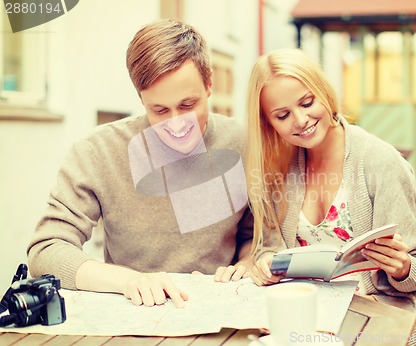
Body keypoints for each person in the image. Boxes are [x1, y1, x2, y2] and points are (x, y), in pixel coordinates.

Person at [27, 19, 253, 308]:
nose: (177, 124)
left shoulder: (244, 143)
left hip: (221, 312)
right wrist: (126, 280)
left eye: (187, 105)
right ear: (141, 99)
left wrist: (248, 260)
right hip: (135, 313)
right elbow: (46, 250)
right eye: (159, 110)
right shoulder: (98, 152)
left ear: (209, 86)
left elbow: (254, 234)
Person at [245, 49, 416, 345]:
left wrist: (402, 267)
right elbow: (267, 248)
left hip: (377, 317)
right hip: (310, 318)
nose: (300, 120)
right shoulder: (278, 168)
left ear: (325, 92)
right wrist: (265, 263)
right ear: (269, 123)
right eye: (283, 115)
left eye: (307, 102)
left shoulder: (381, 162)